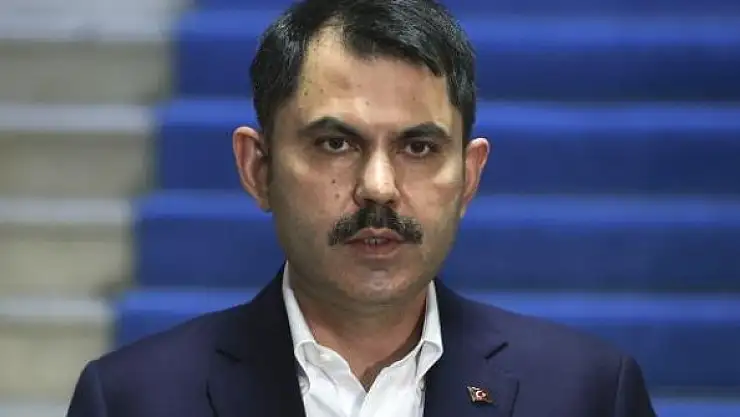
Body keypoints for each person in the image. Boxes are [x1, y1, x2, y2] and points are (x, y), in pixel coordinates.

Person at [67, 0, 657, 416]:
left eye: (418, 148)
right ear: (258, 169)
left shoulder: (587, 395)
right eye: (335, 144)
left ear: (469, 176)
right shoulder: (132, 400)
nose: (378, 187)